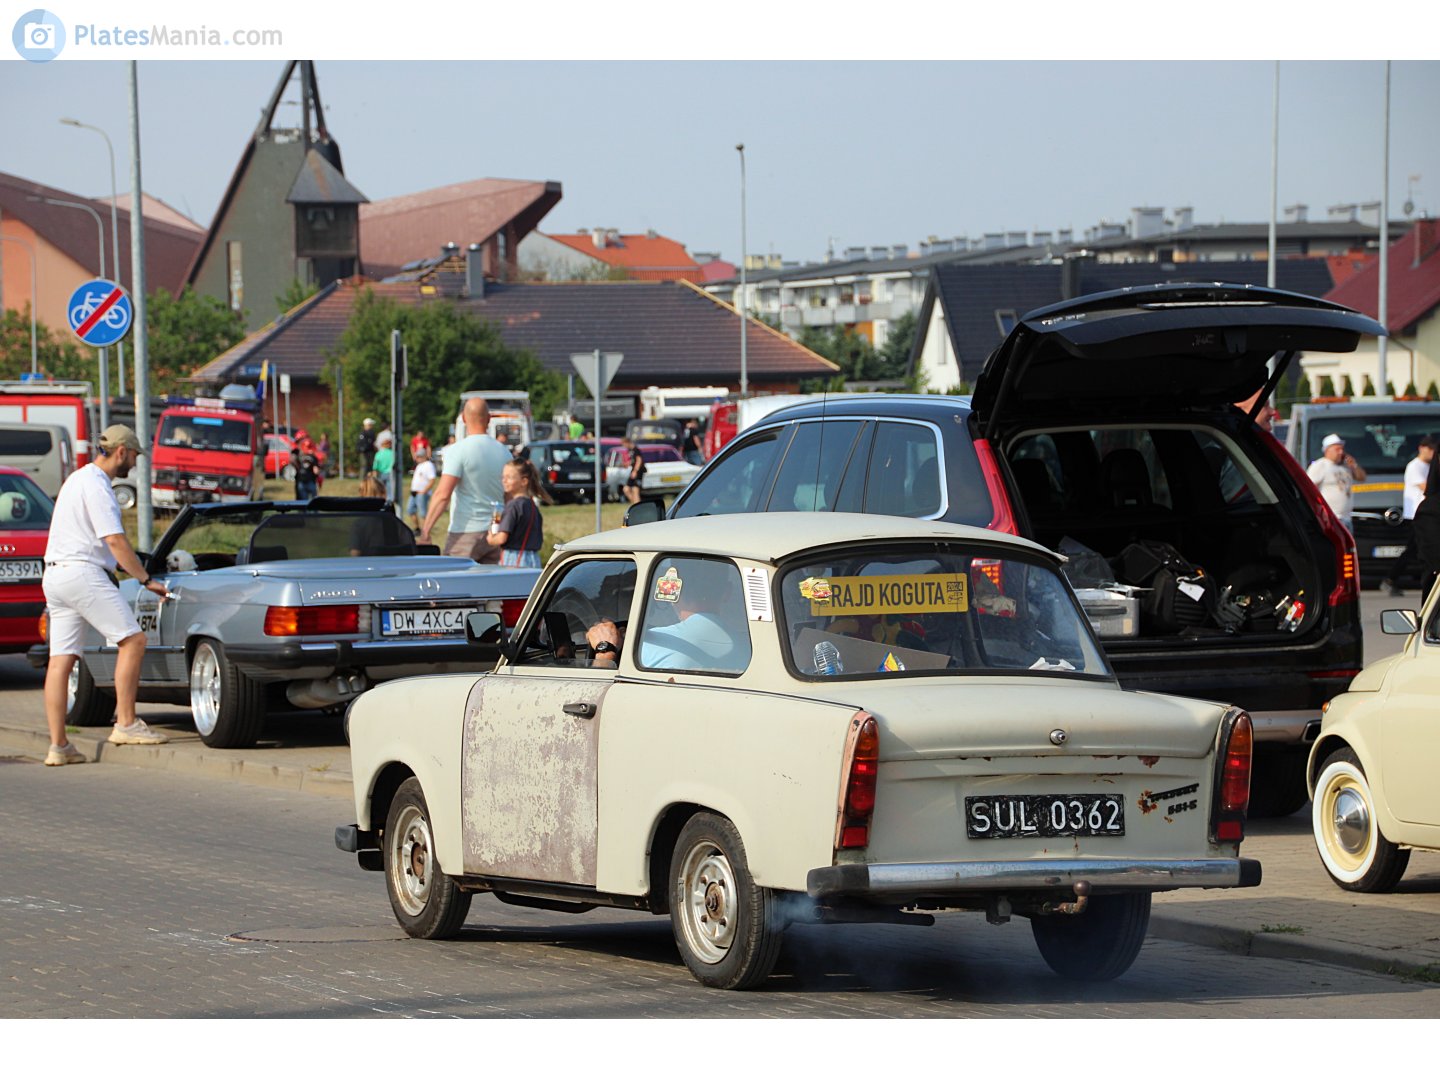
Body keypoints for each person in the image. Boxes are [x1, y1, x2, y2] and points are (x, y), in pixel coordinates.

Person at [41, 424, 170, 765]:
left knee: (61, 659)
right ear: (122, 451)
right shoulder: (99, 486)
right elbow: (114, 540)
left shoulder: (76, 478)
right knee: (133, 640)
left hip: (55, 574)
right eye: (134, 456)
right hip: (83, 573)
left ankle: (59, 746)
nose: (134, 463)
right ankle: (126, 723)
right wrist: (145, 579)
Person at [420, 396, 512, 564]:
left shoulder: (457, 451)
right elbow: (510, 496)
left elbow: (442, 494)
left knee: (456, 585)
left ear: (463, 418)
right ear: (489, 419)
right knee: (493, 588)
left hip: (465, 532)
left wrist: (426, 530)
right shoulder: (505, 453)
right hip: (495, 532)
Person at [638, 560, 748, 672]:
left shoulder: (647, 645)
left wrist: (618, 649)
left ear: (674, 590)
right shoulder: (750, 650)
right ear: (727, 591)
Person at [1382, 434, 1436, 595]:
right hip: (1416, 516)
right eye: (1430, 448)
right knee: (1414, 550)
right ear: (1422, 448)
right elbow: (1427, 487)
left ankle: (1393, 579)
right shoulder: (1415, 466)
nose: (1433, 452)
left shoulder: (1428, 466)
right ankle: (1391, 579)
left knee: (1417, 550)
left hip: (1425, 516)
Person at [489, 457, 550, 568]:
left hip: (513, 558)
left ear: (524, 481)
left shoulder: (513, 506)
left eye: (509, 477)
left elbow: (502, 538)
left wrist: (491, 538)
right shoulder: (532, 505)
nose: (504, 480)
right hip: (533, 558)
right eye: (503, 477)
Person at [1307, 433, 1367, 532]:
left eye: (1342, 449)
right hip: (1332, 518)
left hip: (1347, 518)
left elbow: (1362, 478)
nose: (1341, 452)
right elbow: (1309, 488)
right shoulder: (1320, 465)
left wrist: (1354, 465)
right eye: (1337, 449)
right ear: (1327, 450)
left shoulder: (1345, 466)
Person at [406, 445, 437, 532]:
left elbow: (432, 480)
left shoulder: (428, 465)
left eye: (419, 456)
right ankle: (417, 528)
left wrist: (424, 491)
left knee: (423, 513)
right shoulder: (419, 466)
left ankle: (425, 531)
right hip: (414, 493)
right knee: (410, 510)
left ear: (424, 456)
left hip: (422, 493)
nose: (417, 458)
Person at [291, 434, 321, 501]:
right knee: (314, 502)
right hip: (310, 481)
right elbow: (316, 471)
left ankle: (304, 511)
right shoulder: (313, 457)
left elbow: (293, 462)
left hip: (301, 481)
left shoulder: (299, 456)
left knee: (304, 502)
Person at [621, 438, 646, 504]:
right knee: (626, 489)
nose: (624, 446)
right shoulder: (630, 451)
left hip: (638, 472)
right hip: (633, 471)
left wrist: (635, 471)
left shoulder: (636, 450)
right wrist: (627, 464)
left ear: (627, 442)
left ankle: (637, 506)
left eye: (624, 444)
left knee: (635, 490)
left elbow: (639, 460)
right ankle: (635, 505)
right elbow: (633, 461)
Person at [373, 431, 396, 503]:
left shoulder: (378, 454)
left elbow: (375, 466)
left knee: (381, 489)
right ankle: (389, 502)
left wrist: (374, 474)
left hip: (380, 473)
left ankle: (381, 501)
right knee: (390, 490)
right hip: (390, 473)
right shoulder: (392, 453)